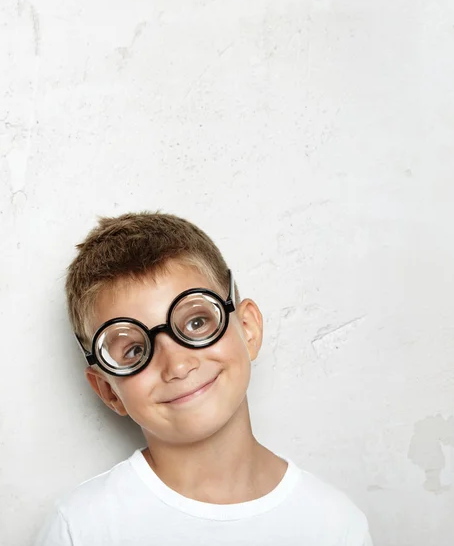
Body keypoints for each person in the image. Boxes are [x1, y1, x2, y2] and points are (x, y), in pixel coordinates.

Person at [36, 212, 372, 545]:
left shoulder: (334, 526)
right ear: (108, 390)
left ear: (248, 329)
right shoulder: (81, 529)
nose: (177, 365)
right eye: (135, 351)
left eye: (196, 322)